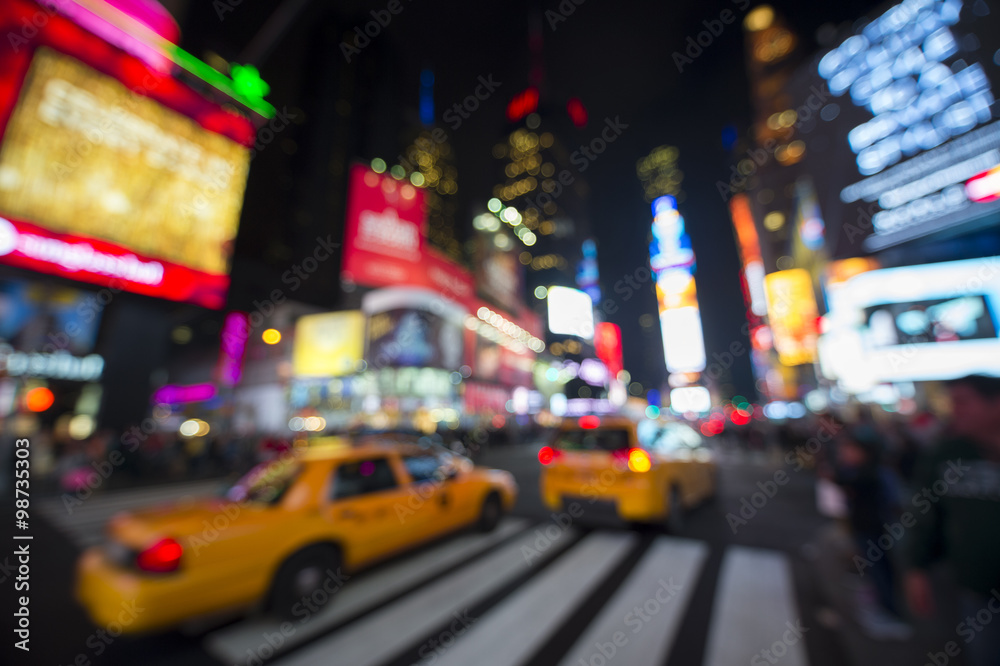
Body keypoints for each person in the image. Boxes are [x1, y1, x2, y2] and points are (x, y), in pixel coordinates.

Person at [905, 375, 1000, 666]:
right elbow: (926, 515)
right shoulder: (947, 454)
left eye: (963, 402)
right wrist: (916, 568)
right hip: (977, 588)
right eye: (952, 403)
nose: (955, 411)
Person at [830, 425, 912, 639]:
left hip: (876, 529)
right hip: (866, 528)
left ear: (864, 452)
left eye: (849, 450)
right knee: (874, 570)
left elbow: (843, 480)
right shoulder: (864, 471)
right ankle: (883, 608)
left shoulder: (872, 474)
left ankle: (889, 613)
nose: (844, 454)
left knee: (881, 570)